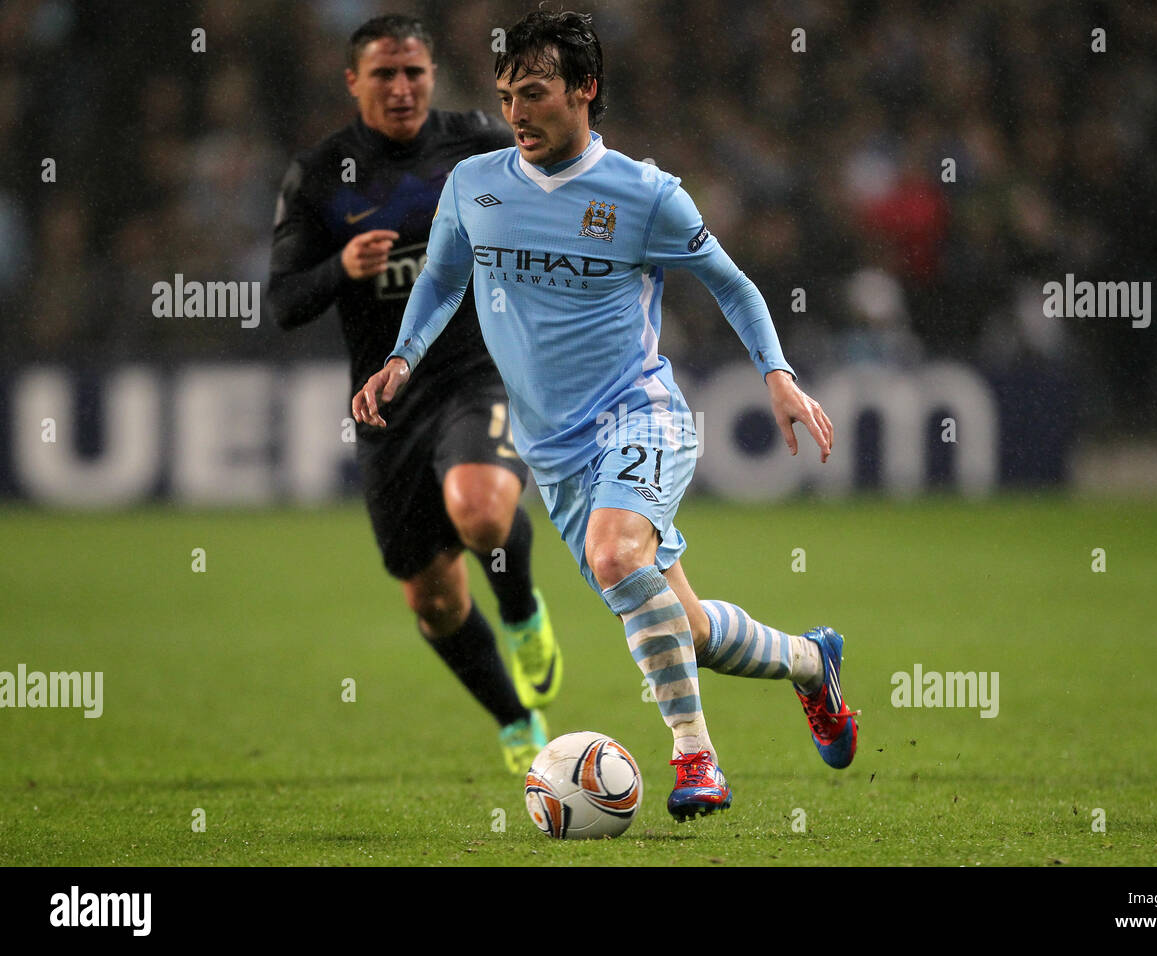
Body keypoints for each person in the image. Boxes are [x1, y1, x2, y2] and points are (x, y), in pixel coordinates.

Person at [353, 10, 857, 821]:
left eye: (537, 93)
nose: (517, 111)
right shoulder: (475, 186)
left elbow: (732, 282)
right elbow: (443, 280)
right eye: (507, 94)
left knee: (618, 556)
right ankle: (810, 662)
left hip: (640, 417)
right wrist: (402, 358)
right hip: (553, 457)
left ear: (585, 91)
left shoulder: (645, 195)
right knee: (685, 630)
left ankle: (697, 761)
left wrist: (778, 373)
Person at [269, 14, 561, 774]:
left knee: (483, 511)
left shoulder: (479, 142)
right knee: (432, 597)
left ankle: (525, 611)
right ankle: (513, 716)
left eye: (414, 74)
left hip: (476, 370)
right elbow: (282, 303)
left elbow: (560, 191)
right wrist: (341, 269)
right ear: (353, 82)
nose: (402, 89)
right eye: (384, 75)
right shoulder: (320, 174)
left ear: (432, 76)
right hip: (386, 402)